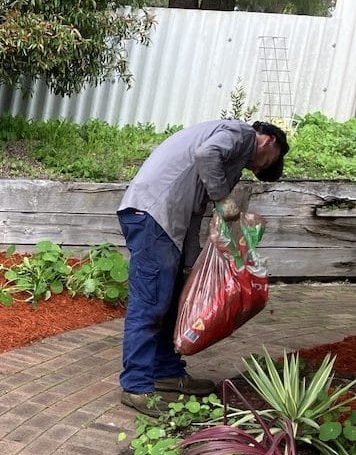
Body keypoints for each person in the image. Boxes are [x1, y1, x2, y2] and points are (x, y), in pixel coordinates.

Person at [116, 119, 289, 416]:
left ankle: (166, 372)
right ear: (270, 141)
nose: (259, 169)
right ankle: (136, 386)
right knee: (151, 304)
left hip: (165, 221)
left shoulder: (232, 145)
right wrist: (224, 198)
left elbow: (197, 206)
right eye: (268, 163)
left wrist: (192, 259)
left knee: (170, 302)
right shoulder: (241, 134)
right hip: (153, 215)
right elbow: (206, 155)